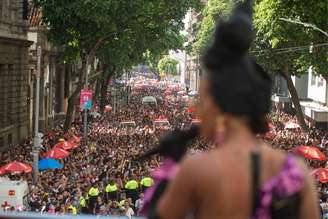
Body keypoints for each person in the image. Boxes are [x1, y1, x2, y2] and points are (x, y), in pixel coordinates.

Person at [155, 1, 319, 219]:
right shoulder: (297, 173)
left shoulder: (196, 171)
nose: (200, 114)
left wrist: (169, 169)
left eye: (202, 103)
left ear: (218, 105)